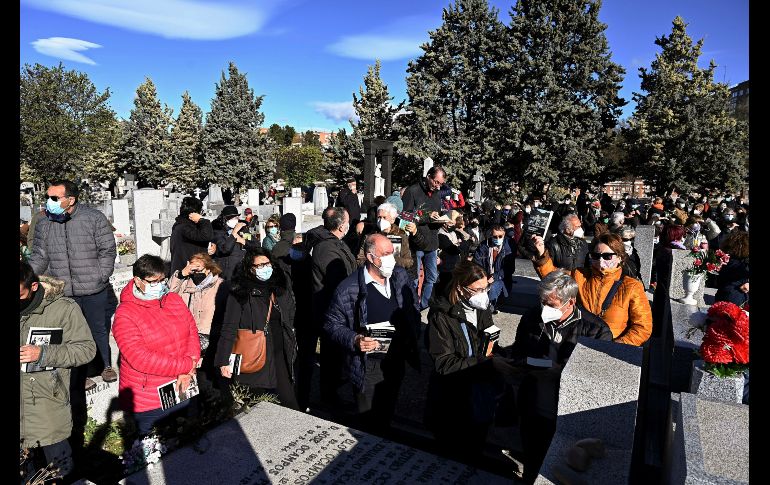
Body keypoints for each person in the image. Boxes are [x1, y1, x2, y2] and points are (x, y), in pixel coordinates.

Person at [509, 271, 613, 483]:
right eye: (542, 302)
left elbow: (596, 376)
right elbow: (518, 352)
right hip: (533, 402)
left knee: (560, 466)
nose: (545, 308)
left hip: (567, 409)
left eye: (551, 305)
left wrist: (561, 371)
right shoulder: (531, 317)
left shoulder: (595, 330)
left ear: (570, 302)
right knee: (532, 459)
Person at [323, 234, 421, 431]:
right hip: (369, 364)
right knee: (369, 421)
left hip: (396, 358)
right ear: (370, 257)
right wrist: (355, 339)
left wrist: (412, 333)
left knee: (387, 410)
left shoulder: (399, 275)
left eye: (392, 253)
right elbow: (331, 324)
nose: (390, 258)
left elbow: (413, 306)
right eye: (385, 254)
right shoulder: (348, 289)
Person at [28, 180, 117, 395]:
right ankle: (81, 374)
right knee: (70, 333)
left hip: (93, 287)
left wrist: (100, 275)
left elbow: (108, 249)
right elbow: (40, 256)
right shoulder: (44, 223)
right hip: (63, 290)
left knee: (98, 328)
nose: (49, 202)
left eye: (55, 198)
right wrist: (26, 275)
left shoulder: (93, 218)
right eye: (48, 197)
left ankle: (105, 365)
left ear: (71, 200)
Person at [20, 262, 96, 481]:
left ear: (34, 287)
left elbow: (86, 350)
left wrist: (43, 354)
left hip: (47, 407)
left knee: (59, 472)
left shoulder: (63, 308)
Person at [425, 261, 506, 458]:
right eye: (477, 289)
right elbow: (444, 363)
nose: (483, 294)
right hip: (452, 399)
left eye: (486, 287)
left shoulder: (481, 308)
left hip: (479, 393)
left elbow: (488, 341)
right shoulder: (441, 316)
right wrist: (483, 361)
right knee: (453, 453)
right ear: (460, 289)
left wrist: (502, 355)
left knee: (475, 447)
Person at [112, 255, 200, 436]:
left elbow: (191, 332)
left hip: (183, 385)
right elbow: (140, 358)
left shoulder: (173, 300)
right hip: (150, 398)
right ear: (137, 280)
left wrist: (189, 368)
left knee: (188, 445)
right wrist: (186, 366)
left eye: (162, 280)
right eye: (153, 281)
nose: (159, 285)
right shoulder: (125, 314)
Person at [531, 232, 652, 346]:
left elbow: (643, 327)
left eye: (607, 256)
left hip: (610, 349)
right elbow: (553, 278)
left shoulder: (632, 286)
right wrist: (542, 254)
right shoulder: (579, 275)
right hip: (577, 343)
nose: (600, 260)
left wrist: (615, 346)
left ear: (619, 257)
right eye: (596, 256)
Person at [215, 248, 299, 409]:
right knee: (255, 404)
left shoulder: (278, 287)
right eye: (259, 266)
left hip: (279, 351)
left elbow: (288, 316)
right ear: (249, 268)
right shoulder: (240, 292)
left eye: (267, 264)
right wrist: (223, 360)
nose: (264, 268)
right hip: (252, 352)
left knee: (289, 400)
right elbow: (229, 327)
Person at [311, 207, 358, 407]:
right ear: (341, 226)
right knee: (331, 358)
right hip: (331, 310)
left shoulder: (335, 243)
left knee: (336, 357)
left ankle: (333, 394)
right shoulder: (327, 248)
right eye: (347, 221)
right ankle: (329, 399)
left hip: (338, 308)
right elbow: (337, 281)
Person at [168, 252, 228, 384]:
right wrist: (180, 275)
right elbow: (167, 298)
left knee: (209, 379)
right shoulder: (184, 284)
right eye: (192, 268)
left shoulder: (220, 285)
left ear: (208, 268)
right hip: (186, 339)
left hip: (210, 339)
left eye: (198, 268)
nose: (195, 272)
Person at [402, 165, 447, 310]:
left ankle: (424, 305)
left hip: (432, 241)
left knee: (432, 278)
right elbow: (405, 217)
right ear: (428, 177)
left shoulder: (436, 193)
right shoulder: (412, 191)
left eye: (441, 184)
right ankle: (412, 305)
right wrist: (427, 217)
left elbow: (436, 214)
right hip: (416, 242)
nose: (438, 187)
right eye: (436, 182)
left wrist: (444, 220)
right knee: (414, 279)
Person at [356, 203, 416, 271]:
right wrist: (376, 262)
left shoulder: (400, 235)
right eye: (379, 217)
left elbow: (408, 262)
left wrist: (392, 260)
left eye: (384, 217)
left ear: (392, 219)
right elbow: (360, 259)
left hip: (394, 275)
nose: (381, 220)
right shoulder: (369, 235)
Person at [473, 225, 516, 313]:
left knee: (493, 288)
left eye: (500, 236)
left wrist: (495, 276)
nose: (497, 238)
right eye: (495, 236)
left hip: (501, 278)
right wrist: (483, 276)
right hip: (485, 275)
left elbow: (509, 268)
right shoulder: (484, 246)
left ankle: (490, 307)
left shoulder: (508, 248)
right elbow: (476, 262)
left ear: (504, 235)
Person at [170, 196, 214, 276]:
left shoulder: (186, 225)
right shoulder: (184, 227)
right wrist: (201, 220)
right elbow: (206, 235)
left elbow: (202, 239)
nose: (202, 213)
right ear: (193, 213)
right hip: (187, 272)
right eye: (200, 211)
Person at [212, 205, 252, 281]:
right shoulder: (218, 232)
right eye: (232, 218)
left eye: (236, 217)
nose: (235, 220)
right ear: (225, 219)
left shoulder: (243, 230)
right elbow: (225, 250)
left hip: (242, 269)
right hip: (227, 272)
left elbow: (255, 245)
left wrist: (243, 241)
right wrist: (234, 233)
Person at [715, 231, 749, 309]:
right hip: (735, 300)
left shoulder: (726, 259)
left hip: (722, 296)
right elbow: (745, 286)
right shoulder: (741, 264)